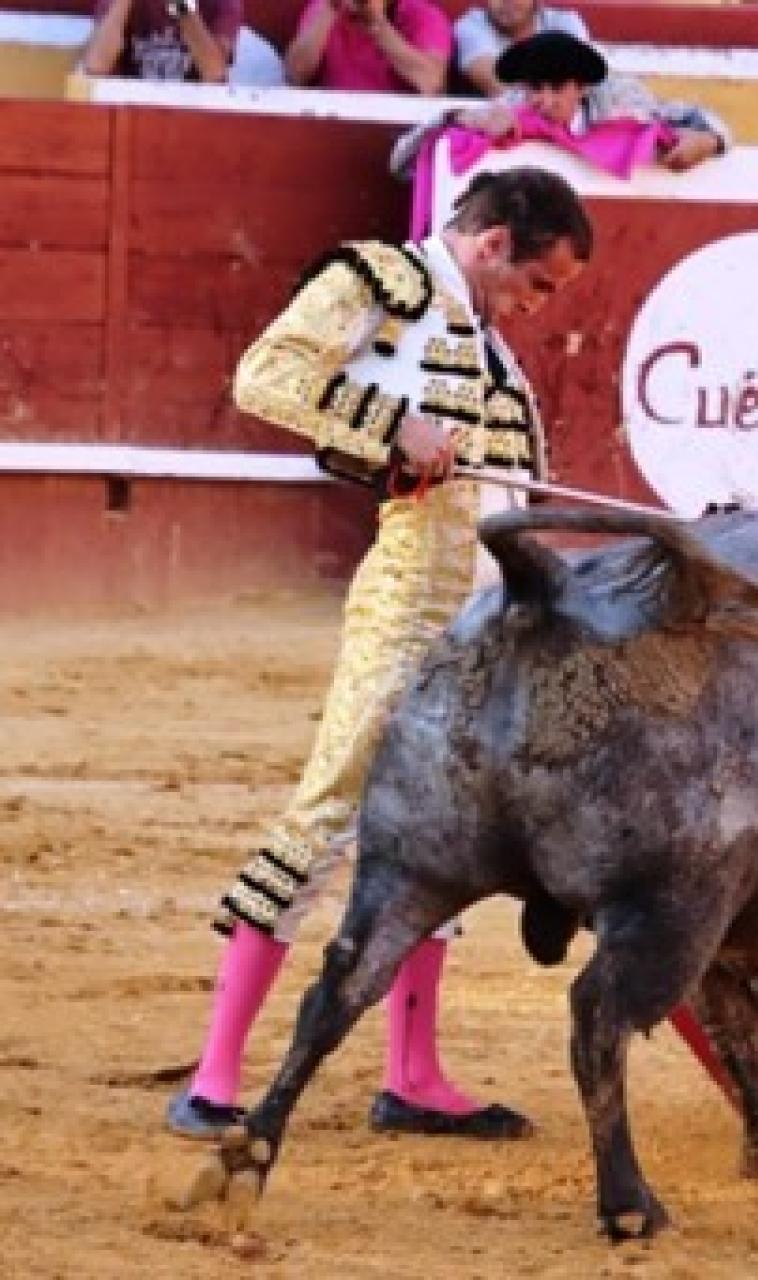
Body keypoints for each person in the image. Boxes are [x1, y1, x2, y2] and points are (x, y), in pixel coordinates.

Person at [166, 166, 593, 1143]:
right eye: (539, 284)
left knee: (445, 837)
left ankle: (413, 1074)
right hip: (407, 606)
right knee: (327, 810)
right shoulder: (383, 281)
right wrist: (385, 422)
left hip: (485, 621)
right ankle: (215, 1075)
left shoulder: (485, 341)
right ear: (492, 245)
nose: (536, 306)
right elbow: (265, 374)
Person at [393, 30, 730, 187]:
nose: (543, 100)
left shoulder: (621, 102)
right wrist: (456, 117)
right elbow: (401, 165)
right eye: (534, 87)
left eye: (556, 87)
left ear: (582, 87)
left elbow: (692, 118)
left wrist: (711, 140)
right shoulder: (511, 107)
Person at [284, 0, 451, 96]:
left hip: (398, 127)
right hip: (335, 122)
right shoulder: (323, 8)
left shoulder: (421, 14)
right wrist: (330, 10)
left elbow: (432, 83)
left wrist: (377, 26)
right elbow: (295, 75)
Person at [453, 0, 588, 98]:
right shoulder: (471, 25)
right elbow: (495, 80)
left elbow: (580, 77)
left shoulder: (565, 22)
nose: (506, 2)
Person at [80, 0, 240, 82]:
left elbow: (215, 73)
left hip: (196, 114)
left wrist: (180, 5)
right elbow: (95, 66)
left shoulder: (221, 3)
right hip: (132, 110)